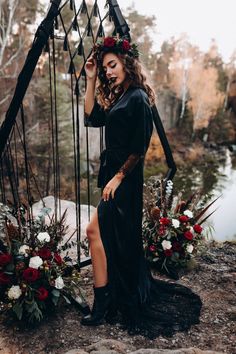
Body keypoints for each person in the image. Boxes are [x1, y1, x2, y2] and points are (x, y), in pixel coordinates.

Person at [80, 36, 202, 338]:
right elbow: (90, 117)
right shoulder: (120, 95)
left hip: (125, 179)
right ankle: (105, 299)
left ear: (126, 63)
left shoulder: (137, 98)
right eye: (106, 67)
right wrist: (91, 78)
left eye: (112, 65)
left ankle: (103, 303)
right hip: (114, 177)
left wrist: (119, 177)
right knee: (109, 237)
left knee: (95, 231)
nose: (109, 71)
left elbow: (140, 146)